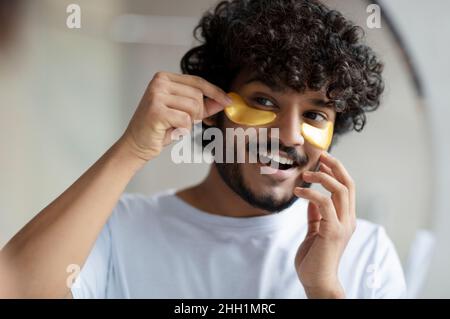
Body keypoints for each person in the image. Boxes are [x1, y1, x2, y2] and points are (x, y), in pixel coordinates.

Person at [3, 0, 406, 298]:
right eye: (265, 101)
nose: (289, 135)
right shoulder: (116, 229)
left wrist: (323, 288)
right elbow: (17, 288)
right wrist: (132, 149)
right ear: (211, 109)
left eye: (315, 115)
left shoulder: (366, 251)